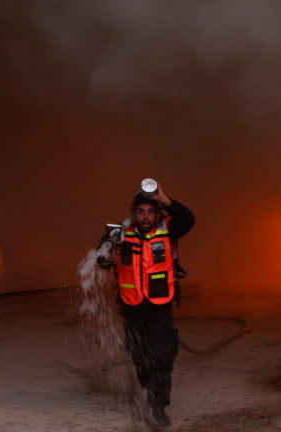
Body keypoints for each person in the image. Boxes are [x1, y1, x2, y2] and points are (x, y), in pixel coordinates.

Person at [98, 181, 195, 427]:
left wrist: (164, 198)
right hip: (131, 307)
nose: (145, 216)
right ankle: (146, 388)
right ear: (134, 213)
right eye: (141, 211)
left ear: (158, 212)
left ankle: (158, 404)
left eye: (151, 211)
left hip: (160, 305)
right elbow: (103, 252)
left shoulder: (168, 228)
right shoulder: (121, 231)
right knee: (139, 356)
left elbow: (188, 219)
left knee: (162, 354)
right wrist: (107, 256)